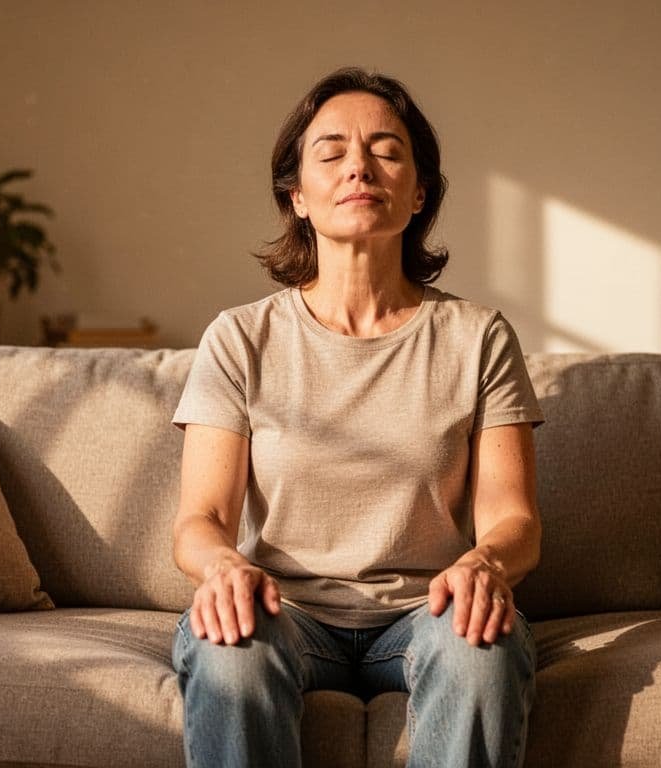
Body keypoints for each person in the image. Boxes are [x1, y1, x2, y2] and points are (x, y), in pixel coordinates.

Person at [170, 66, 544, 768]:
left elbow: (515, 521)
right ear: (298, 195)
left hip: (428, 611)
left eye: (387, 150)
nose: (359, 168)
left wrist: (485, 564)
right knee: (229, 654)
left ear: (419, 191)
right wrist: (221, 567)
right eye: (332, 152)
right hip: (286, 611)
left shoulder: (478, 336)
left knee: (480, 649)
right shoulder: (240, 337)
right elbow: (201, 521)